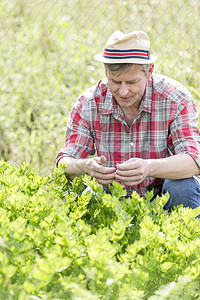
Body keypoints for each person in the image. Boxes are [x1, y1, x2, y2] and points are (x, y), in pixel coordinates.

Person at [56, 30, 200, 214]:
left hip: (163, 199)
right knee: (80, 191)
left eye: (132, 82)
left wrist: (148, 167)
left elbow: (194, 161)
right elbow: (64, 163)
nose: (123, 92)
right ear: (106, 73)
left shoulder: (174, 99)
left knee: (182, 186)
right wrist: (85, 166)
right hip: (111, 202)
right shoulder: (89, 104)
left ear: (149, 71)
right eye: (115, 81)